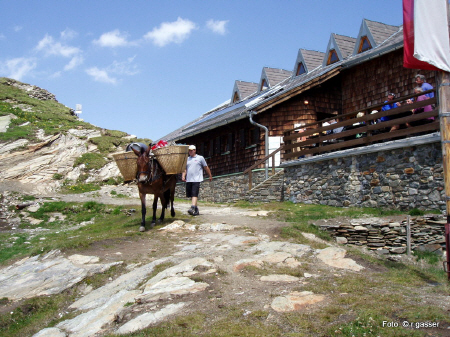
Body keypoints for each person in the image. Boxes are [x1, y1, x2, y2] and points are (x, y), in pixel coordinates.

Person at [182, 145, 212, 216]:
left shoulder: (200, 158)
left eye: (191, 150)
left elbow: (206, 167)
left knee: (194, 194)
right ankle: (196, 209)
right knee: (191, 195)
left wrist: (210, 175)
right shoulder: (187, 159)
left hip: (197, 179)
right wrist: (183, 176)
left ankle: (192, 208)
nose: (190, 151)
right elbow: (185, 169)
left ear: (195, 150)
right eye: (189, 150)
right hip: (189, 179)